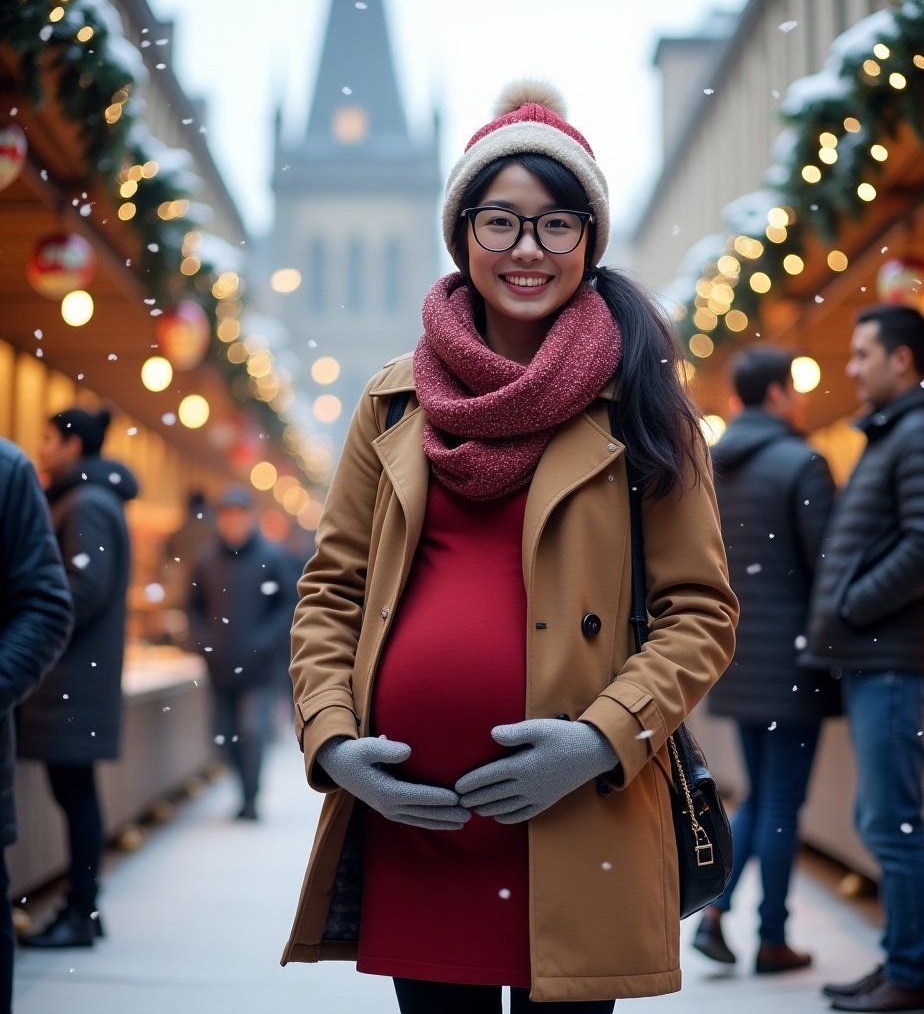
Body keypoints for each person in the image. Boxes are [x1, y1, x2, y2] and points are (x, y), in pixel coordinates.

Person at [281, 80, 739, 1013]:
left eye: (556, 224)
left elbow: (701, 615)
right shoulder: (391, 402)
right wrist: (333, 742)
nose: (527, 250)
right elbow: (332, 591)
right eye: (501, 221)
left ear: (589, 241)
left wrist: (595, 741)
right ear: (461, 235)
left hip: (578, 818)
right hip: (420, 820)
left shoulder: (644, 400)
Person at [801, 305, 924, 1013]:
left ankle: (911, 976)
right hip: (884, 659)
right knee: (882, 818)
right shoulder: (899, 433)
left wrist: (850, 604)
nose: (852, 367)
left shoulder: (920, 432)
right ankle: (900, 963)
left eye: (863, 353)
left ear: (903, 360)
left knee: (892, 821)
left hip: (897, 660)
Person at [692, 346, 838, 974]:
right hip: (794, 665)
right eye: (794, 389)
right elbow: (828, 567)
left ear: (735, 402)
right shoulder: (802, 462)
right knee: (781, 803)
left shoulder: (712, 470)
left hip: (739, 656)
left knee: (760, 795)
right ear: (777, 394)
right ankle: (770, 935)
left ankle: (718, 915)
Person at [18, 407, 139, 948]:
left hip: (70, 680)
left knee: (75, 795)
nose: (40, 446)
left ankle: (80, 912)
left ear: (71, 446)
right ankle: (83, 909)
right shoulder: (87, 497)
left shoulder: (86, 502)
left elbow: (82, 590)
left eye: (48, 438)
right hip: (76, 678)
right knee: (76, 794)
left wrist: (25, 613)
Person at [0, 438, 73, 1009]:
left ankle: (83, 905)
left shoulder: (7, 471)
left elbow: (48, 605)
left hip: (73, 695)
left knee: (78, 794)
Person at [188, 487, 296, 821]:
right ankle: (242, 790)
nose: (232, 522)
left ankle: (251, 798)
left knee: (252, 730)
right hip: (219, 665)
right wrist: (203, 641)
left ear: (250, 518)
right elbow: (193, 607)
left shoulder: (272, 557)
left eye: (238, 515)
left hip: (259, 667)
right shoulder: (205, 560)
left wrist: (264, 640)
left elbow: (288, 605)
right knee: (224, 735)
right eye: (227, 515)